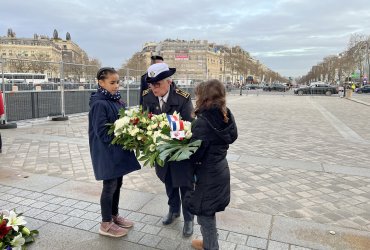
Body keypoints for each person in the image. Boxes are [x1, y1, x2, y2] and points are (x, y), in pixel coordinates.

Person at [142, 62, 195, 237]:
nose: (153, 88)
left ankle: (188, 219)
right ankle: (173, 211)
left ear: (169, 82)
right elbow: (144, 121)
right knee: (169, 181)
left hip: (179, 151)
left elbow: (189, 126)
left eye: (157, 84)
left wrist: (169, 130)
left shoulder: (182, 98)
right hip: (161, 151)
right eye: (151, 84)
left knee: (185, 185)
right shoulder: (148, 97)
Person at [184, 79, 238, 250]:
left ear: (204, 98)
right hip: (220, 170)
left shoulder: (203, 122)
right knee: (209, 210)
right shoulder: (225, 113)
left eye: (198, 95)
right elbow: (231, 136)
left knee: (205, 215)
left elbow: (195, 153)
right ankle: (208, 242)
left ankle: (211, 246)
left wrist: (183, 145)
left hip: (206, 176)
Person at [88, 67, 141, 237]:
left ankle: (114, 216)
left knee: (117, 184)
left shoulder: (117, 100)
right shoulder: (99, 103)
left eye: (118, 82)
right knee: (109, 186)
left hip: (117, 150)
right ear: (101, 83)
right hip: (106, 152)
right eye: (112, 82)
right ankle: (105, 224)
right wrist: (123, 135)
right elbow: (101, 132)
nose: (116, 85)